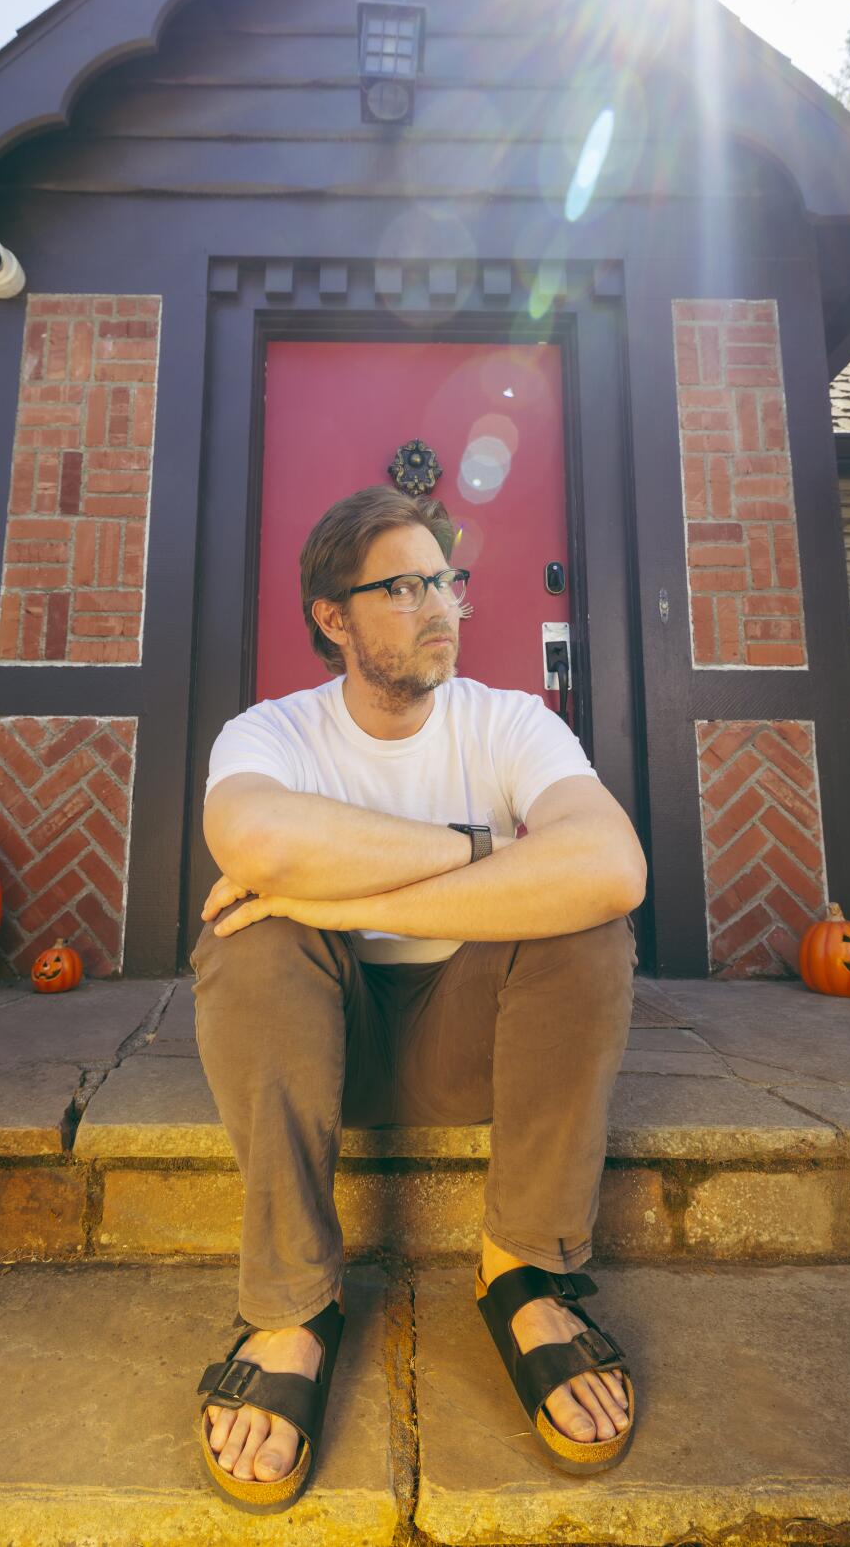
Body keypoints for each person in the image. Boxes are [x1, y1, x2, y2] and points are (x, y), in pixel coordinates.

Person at [190, 484, 647, 1513]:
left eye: (447, 579)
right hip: (322, 1043)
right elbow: (253, 846)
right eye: (404, 585)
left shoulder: (511, 723)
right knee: (252, 930)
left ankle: (524, 1267)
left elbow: (612, 862)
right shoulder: (270, 733)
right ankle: (292, 1306)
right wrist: (491, 855)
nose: (440, 603)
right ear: (333, 617)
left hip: (477, 1035)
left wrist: (359, 875)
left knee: (587, 922)